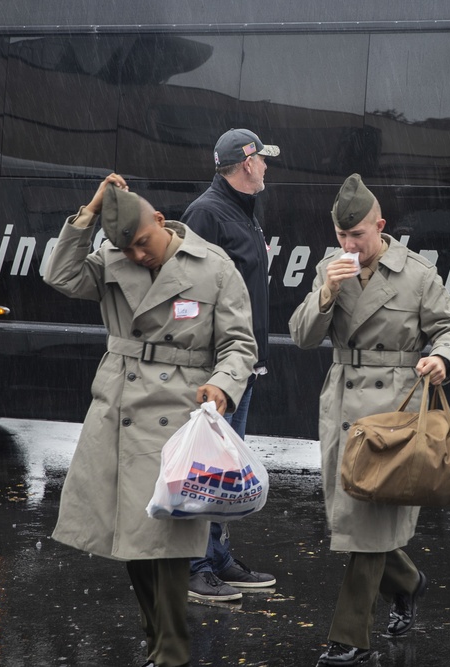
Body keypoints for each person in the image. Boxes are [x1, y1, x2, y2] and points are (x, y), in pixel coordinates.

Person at [44, 174, 258, 667]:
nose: (139, 255)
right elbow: (60, 275)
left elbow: (240, 345)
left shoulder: (213, 266)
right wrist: (89, 214)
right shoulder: (112, 260)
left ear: (161, 222)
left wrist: (223, 385)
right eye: (129, 248)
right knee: (134, 542)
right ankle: (161, 643)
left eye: (143, 243)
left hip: (179, 417)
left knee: (166, 544)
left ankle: (170, 651)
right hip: (119, 409)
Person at [289, 174, 450, 666]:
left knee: (366, 524)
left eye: (358, 236)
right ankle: (408, 581)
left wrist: (442, 360)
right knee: (353, 518)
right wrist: (325, 293)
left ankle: (350, 637)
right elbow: (302, 337)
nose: (350, 245)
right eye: (342, 237)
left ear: (380, 226)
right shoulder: (331, 269)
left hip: (394, 411)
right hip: (344, 406)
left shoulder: (416, 273)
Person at [180, 128, 280, 603]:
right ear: (246, 163)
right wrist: (217, 370)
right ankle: (193, 564)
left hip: (244, 366)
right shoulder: (206, 213)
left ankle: (216, 554)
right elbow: (190, 294)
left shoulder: (244, 211)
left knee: (226, 472)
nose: (266, 168)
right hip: (220, 371)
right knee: (207, 470)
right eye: (263, 161)